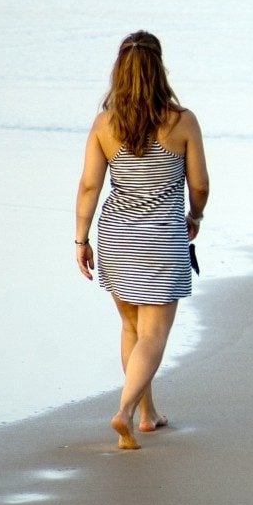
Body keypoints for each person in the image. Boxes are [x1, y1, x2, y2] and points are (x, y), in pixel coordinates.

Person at [74, 31, 209, 450]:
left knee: (131, 327)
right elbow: (200, 185)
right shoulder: (181, 121)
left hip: (115, 238)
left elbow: (89, 188)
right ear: (159, 69)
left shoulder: (105, 124)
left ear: (120, 71)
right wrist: (196, 215)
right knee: (152, 335)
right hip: (160, 241)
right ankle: (126, 411)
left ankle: (149, 415)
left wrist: (81, 239)